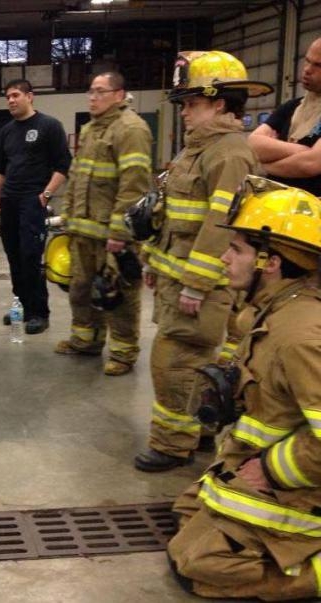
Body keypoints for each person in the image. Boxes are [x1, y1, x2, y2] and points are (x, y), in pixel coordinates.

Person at [168, 177, 321, 600]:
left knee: (203, 566)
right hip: (256, 464)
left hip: (298, 483)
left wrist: (271, 470)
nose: (223, 257)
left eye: (236, 249)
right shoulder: (274, 310)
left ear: (269, 262)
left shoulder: (302, 337)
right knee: (186, 512)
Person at [133, 51, 273, 472]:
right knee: (197, 361)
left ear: (220, 103)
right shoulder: (199, 150)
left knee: (175, 361)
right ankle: (200, 431)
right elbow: (175, 218)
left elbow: (221, 225)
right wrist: (155, 264)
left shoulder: (228, 154)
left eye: (192, 104)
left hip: (201, 287)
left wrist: (196, 283)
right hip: (180, 279)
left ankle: (173, 443)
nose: (185, 113)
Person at [55, 72, 152, 376]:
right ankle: (86, 341)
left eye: (100, 91)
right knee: (81, 289)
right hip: (83, 231)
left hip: (112, 236)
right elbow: (76, 178)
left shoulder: (131, 129)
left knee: (119, 294)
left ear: (119, 95)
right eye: (90, 91)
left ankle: (124, 353)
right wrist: (68, 216)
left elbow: (133, 186)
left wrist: (120, 233)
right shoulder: (89, 130)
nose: (92, 97)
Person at [0, 78, 72, 334]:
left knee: (30, 257)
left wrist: (46, 194)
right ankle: (22, 306)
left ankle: (39, 312)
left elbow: (63, 165)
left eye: (15, 95)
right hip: (9, 202)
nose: (11, 101)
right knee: (14, 257)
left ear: (30, 96)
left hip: (32, 201)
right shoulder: (6, 131)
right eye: (7, 97)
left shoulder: (49, 126)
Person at [248, 37, 321, 196]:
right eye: (307, 61)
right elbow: (253, 145)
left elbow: (311, 164)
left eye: (318, 65)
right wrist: (303, 150)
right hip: (279, 206)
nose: (307, 69)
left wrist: (263, 166)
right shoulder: (292, 107)